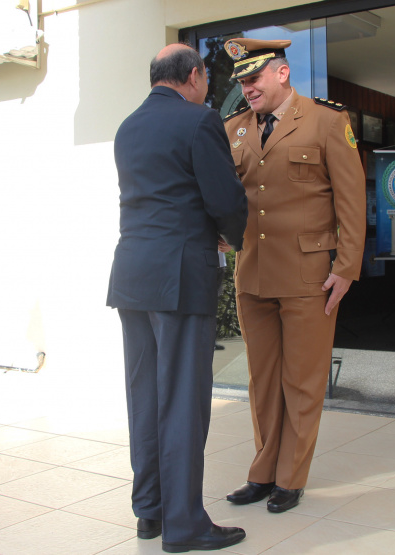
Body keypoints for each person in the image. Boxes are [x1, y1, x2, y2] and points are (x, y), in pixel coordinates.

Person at [106, 43, 248, 552]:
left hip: (132, 276)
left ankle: (151, 511)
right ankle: (185, 525)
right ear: (193, 76)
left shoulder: (127, 128)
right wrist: (234, 235)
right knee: (185, 401)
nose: (207, 88)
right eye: (207, 78)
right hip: (180, 277)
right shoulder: (199, 121)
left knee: (144, 398)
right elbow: (224, 198)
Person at [221, 38, 366, 513]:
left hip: (309, 277)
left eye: (254, 78)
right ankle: (262, 472)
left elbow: (351, 199)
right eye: (241, 82)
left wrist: (346, 267)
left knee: (301, 381)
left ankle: (291, 477)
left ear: (281, 73)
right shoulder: (234, 129)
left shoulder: (327, 121)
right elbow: (226, 195)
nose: (247, 89)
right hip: (252, 274)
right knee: (262, 381)